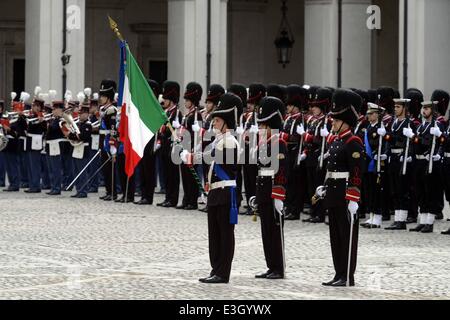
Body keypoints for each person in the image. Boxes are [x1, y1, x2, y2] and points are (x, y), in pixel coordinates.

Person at [191, 93, 241, 284]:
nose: (214, 124)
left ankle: (222, 271)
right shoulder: (220, 141)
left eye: (217, 120)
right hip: (215, 192)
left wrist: (191, 157)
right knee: (215, 235)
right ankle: (216, 269)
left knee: (224, 235)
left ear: (226, 123)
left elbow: (213, 158)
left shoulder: (229, 141)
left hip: (225, 193)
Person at [321, 89, 363, 287]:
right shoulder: (337, 140)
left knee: (346, 237)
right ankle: (338, 273)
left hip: (345, 195)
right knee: (335, 237)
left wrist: (353, 198)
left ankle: (347, 275)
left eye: (337, 120)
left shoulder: (353, 141)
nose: (333, 123)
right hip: (333, 193)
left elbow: (356, 172)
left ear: (346, 121)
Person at [254, 96, 288, 280]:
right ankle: (270, 265)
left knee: (275, 232)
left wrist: (278, 195)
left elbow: (281, 171)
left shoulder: (279, 143)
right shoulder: (263, 144)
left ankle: (278, 267)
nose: (260, 129)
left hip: (273, 192)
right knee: (266, 231)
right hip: (263, 190)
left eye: (263, 126)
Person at [409, 101, 445, 233]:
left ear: (433, 110)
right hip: (418, 162)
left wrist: (414, 137)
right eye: (423, 108)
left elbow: (427, 143)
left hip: (429, 161)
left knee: (430, 192)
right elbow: (415, 145)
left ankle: (429, 222)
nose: (424, 111)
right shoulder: (420, 126)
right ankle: (423, 220)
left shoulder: (437, 125)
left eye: (427, 108)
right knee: (420, 192)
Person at [384, 99, 417, 230]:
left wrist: (409, 155)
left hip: (403, 159)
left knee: (402, 189)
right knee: (394, 190)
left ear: (404, 108)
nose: (395, 109)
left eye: (398, 107)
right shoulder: (394, 123)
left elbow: (411, 142)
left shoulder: (409, 123)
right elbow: (390, 140)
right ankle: (397, 219)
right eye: (395, 107)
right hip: (393, 159)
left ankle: (402, 220)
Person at [282, 85, 308, 221]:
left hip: (296, 152)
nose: (288, 107)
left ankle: (295, 209)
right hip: (288, 152)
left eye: (290, 105)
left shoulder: (301, 119)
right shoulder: (288, 118)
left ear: (295, 106)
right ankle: (289, 206)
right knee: (288, 181)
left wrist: (286, 137)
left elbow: (300, 137)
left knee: (296, 183)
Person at [177, 82, 203, 210]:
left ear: (193, 101)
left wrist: (193, 149)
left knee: (191, 176)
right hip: (185, 147)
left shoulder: (197, 114)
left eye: (187, 100)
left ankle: (192, 201)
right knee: (185, 175)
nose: (185, 102)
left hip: (191, 148)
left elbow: (197, 135)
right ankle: (186, 199)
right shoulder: (188, 114)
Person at [157, 81, 182, 208]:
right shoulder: (167, 112)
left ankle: (173, 199)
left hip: (173, 147)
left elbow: (175, 130)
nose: (164, 101)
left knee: (173, 175)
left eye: (166, 98)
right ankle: (167, 197)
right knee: (166, 174)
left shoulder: (176, 113)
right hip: (165, 146)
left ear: (171, 100)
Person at [65, 102, 92, 198]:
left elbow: (83, 137)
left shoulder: (88, 125)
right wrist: (73, 135)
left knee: (82, 171)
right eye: (79, 113)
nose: (80, 115)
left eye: (82, 113)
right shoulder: (78, 124)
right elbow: (73, 135)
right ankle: (78, 189)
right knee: (76, 171)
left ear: (87, 114)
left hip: (84, 149)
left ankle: (83, 191)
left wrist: (74, 135)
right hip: (77, 148)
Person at [98, 79, 119, 201]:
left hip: (108, 141)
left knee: (110, 168)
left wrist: (112, 144)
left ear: (109, 97)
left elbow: (112, 128)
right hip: (102, 140)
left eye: (104, 96)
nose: (101, 98)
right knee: (105, 168)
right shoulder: (104, 109)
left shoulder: (112, 110)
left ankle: (113, 192)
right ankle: (108, 190)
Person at [45, 101, 66, 195]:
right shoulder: (54, 119)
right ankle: (54, 186)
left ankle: (57, 188)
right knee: (51, 167)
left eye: (54, 109)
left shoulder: (61, 120)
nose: (52, 111)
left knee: (56, 168)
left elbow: (54, 128)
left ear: (59, 109)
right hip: (51, 145)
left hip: (56, 145)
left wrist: (50, 123)